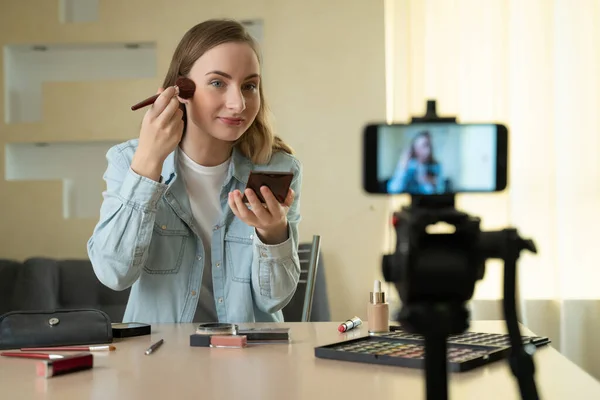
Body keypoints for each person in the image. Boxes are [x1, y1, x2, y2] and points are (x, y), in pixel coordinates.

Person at [87, 19, 303, 324]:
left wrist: (273, 234)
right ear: (182, 89)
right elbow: (114, 274)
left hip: (250, 359)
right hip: (160, 359)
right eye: (218, 83)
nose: (238, 103)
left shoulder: (278, 168)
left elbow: (274, 300)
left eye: (249, 86)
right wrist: (148, 163)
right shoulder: (127, 161)